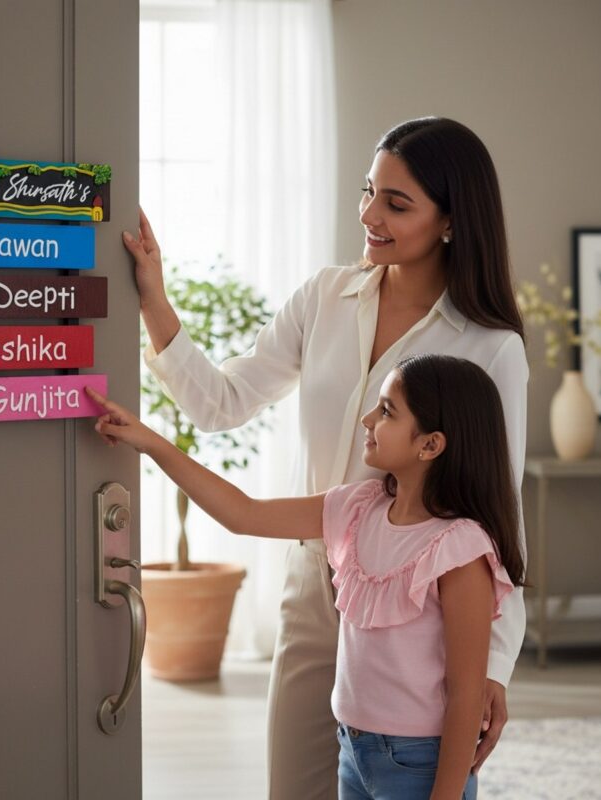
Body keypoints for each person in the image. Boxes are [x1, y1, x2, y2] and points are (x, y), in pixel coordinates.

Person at [123, 117, 528, 799]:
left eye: (397, 204)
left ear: (453, 221)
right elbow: (221, 402)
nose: (370, 215)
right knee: (296, 786)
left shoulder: (490, 347)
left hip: (419, 606)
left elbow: (497, 512)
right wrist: (154, 299)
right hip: (316, 578)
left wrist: (494, 666)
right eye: (369, 192)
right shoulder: (324, 298)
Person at [86, 353, 525, 800]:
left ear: (430, 445)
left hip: (417, 765)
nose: (368, 419)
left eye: (388, 410)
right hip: (352, 750)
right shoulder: (359, 508)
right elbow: (244, 514)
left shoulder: (459, 548)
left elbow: (466, 694)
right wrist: (150, 442)